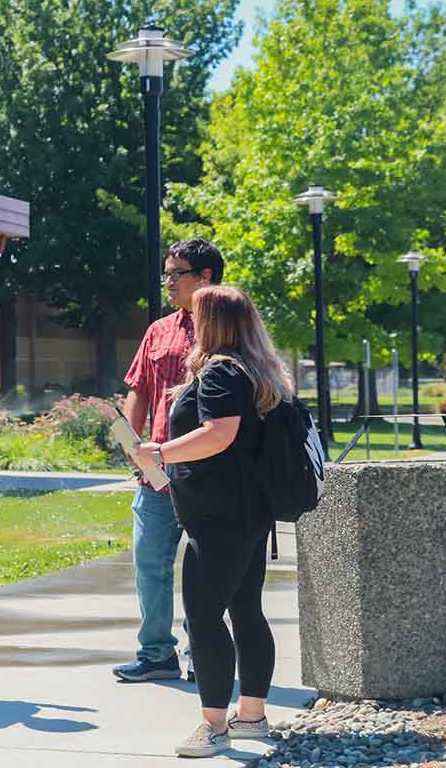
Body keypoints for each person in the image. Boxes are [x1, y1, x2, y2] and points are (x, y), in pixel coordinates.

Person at [135, 286, 288, 758]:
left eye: (196, 316)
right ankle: (253, 716)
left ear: (213, 323)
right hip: (248, 512)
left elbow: (218, 435)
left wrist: (158, 452)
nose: (189, 323)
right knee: (245, 611)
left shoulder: (221, 370)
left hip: (217, 514)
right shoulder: (256, 369)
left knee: (202, 618)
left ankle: (214, 726)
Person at [113, 239, 225, 684]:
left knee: (209, 564)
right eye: (167, 272)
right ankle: (157, 653)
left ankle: (205, 651)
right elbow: (140, 387)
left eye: (177, 272)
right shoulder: (158, 330)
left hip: (210, 469)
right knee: (149, 560)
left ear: (205, 277)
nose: (168, 281)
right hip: (157, 470)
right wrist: (131, 440)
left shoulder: (227, 330)